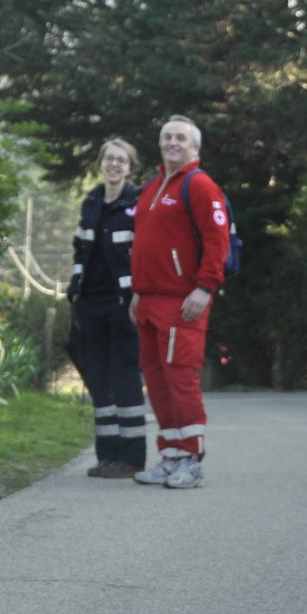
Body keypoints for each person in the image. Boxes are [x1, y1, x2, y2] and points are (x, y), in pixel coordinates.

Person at [128, 114, 231, 490]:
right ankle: (170, 455)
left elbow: (217, 241)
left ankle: (191, 459)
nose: (173, 142)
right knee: (156, 381)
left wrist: (205, 288)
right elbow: (143, 245)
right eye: (167, 136)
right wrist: (138, 291)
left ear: (194, 147)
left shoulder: (200, 186)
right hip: (149, 301)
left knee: (180, 379)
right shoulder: (153, 186)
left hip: (181, 302)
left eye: (181, 138)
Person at [68, 137, 146, 478]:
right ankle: (107, 457)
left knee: (125, 377)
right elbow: (80, 251)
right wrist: (75, 291)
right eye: (109, 159)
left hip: (123, 305)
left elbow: (144, 253)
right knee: (99, 379)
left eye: (121, 160)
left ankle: (131, 459)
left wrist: (139, 295)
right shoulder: (92, 202)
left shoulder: (137, 203)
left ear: (130, 168)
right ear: (100, 164)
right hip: (90, 304)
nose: (114, 165)